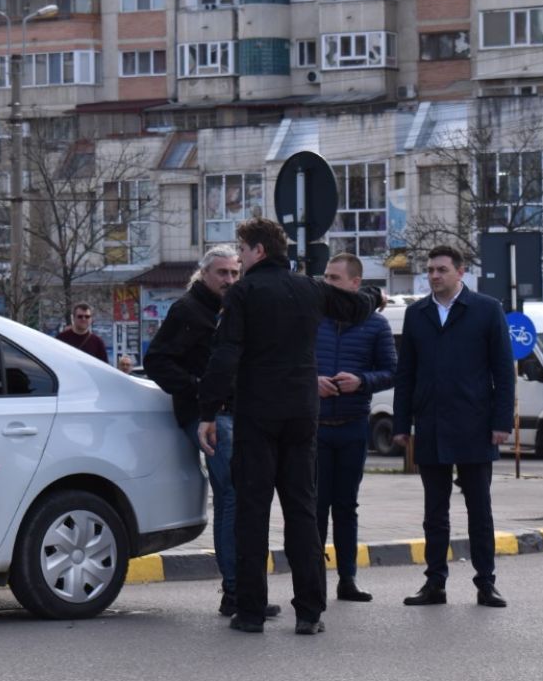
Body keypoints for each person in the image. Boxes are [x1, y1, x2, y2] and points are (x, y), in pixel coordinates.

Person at [196, 217, 383, 637]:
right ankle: (309, 612)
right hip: (301, 414)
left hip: (256, 415)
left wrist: (208, 411)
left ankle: (250, 611)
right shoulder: (310, 288)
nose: (240, 258)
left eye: (242, 250)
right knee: (302, 511)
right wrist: (375, 296)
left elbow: (225, 354)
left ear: (259, 250)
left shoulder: (244, 293)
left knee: (252, 513)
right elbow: (356, 307)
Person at [144, 245, 279, 619]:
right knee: (234, 494)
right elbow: (157, 360)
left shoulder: (236, 308)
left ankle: (236, 590)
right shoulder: (188, 310)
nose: (230, 280)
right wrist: (199, 388)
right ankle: (238, 590)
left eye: (235, 273)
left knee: (230, 497)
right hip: (209, 417)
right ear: (204, 274)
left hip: (238, 413)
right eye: (222, 273)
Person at [392, 245, 515, 609]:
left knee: (479, 510)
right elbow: (406, 373)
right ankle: (435, 582)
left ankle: (486, 582)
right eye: (430, 270)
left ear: (460, 272)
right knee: (435, 512)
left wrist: (501, 422)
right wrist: (401, 423)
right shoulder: (417, 314)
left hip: (475, 424)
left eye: (441, 269)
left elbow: (503, 371)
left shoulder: (486, 310)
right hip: (431, 424)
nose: (434, 275)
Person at [314, 252, 396, 604]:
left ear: (355, 283)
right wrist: (312, 382)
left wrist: (361, 381)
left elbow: (392, 371)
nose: (327, 283)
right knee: (315, 507)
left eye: (334, 278)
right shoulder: (312, 318)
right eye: (326, 277)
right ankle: (313, 580)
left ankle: (347, 579)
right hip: (314, 427)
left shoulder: (376, 325)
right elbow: (290, 363)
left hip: (352, 426)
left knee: (346, 506)